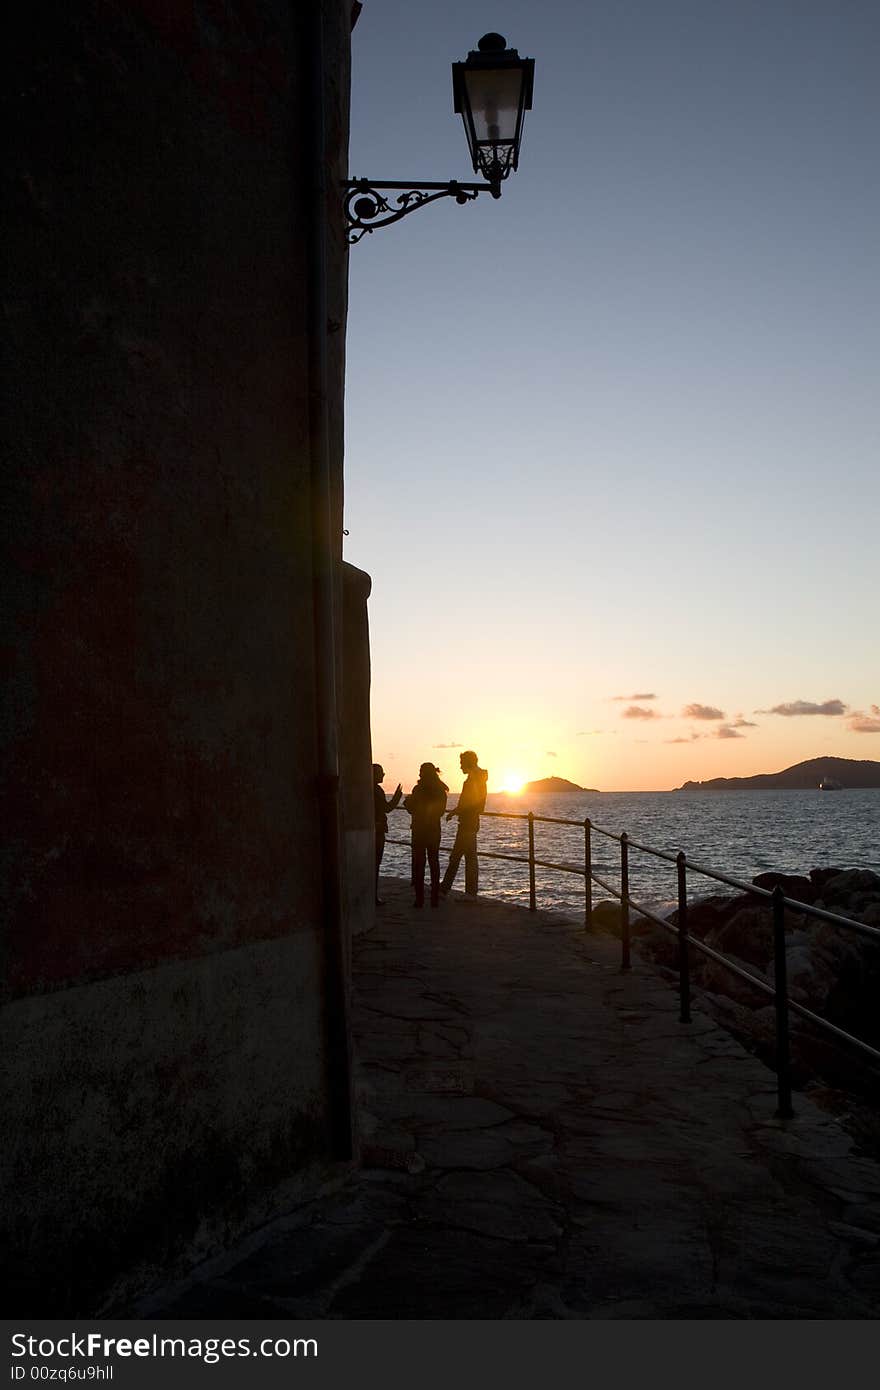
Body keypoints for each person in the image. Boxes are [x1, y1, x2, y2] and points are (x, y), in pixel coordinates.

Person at [439, 750, 488, 899]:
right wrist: (457, 811)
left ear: (468, 762)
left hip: (468, 822)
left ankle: (446, 889)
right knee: (468, 856)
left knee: (457, 856)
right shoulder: (478, 777)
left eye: (461, 763)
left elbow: (470, 801)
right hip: (471, 821)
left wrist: (456, 811)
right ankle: (468, 891)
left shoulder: (474, 778)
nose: (460, 766)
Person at [403, 763, 448, 908]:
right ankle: (434, 898)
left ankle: (419, 899)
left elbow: (411, 808)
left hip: (419, 830)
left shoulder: (418, 789)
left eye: (421, 771)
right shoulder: (441, 790)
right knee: (434, 863)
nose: (419, 774)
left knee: (419, 864)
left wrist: (408, 802)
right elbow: (440, 811)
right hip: (434, 830)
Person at [373, 763, 402, 905]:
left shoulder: (370, 789)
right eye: (381, 772)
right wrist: (397, 797)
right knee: (375, 863)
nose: (383, 775)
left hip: (373, 829)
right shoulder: (377, 790)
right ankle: (373, 896)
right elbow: (387, 808)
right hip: (377, 831)